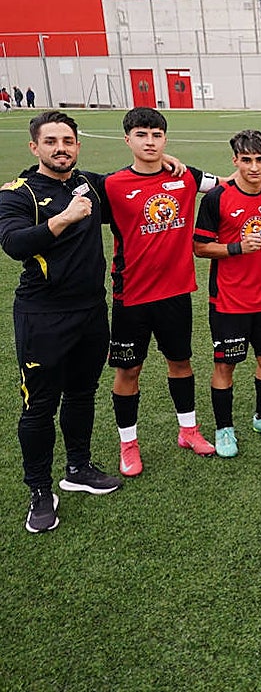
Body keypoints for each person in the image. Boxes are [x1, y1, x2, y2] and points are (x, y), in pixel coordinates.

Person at [0, 111, 123, 533]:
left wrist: (177, 167)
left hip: (91, 310)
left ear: (77, 145)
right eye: (51, 141)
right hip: (43, 315)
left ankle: (78, 468)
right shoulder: (18, 193)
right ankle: (39, 490)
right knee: (39, 407)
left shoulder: (87, 181)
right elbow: (14, 243)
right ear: (35, 147)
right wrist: (64, 218)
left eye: (67, 141)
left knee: (82, 393)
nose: (60, 148)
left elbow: (135, 181)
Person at [103, 107, 222, 476]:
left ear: (165, 139)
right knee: (129, 371)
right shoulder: (111, 185)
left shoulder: (186, 177)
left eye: (156, 135)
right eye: (142, 135)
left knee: (181, 362)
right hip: (132, 296)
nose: (150, 141)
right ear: (128, 140)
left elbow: (227, 186)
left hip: (175, 292)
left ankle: (188, 430)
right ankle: (129, 445)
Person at [193, 130, 261, 457]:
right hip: (228, 301)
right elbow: (200, 247)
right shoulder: (217, 198)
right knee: (225, 366)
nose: (254, 167)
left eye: (260, 159)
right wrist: (236, 248)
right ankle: (224, 429)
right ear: (235, 161)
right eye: (246, 160)